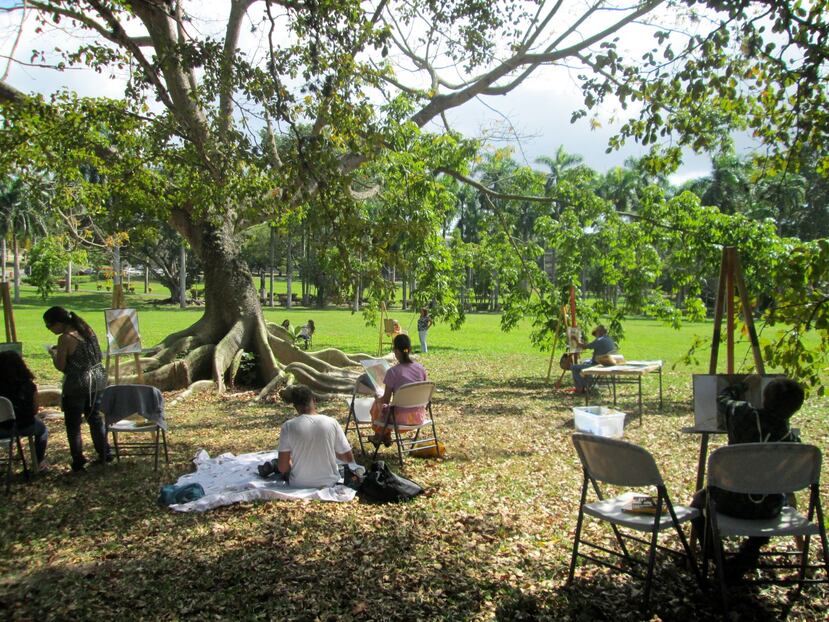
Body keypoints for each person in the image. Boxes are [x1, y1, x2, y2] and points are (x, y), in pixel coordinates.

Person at [692, 378, 804, 582]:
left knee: (698, 503)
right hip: (768, 509)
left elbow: (723, 398)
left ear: (764, 397)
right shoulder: (793, 443)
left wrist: (742, 385)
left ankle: (715, 556)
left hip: (729, 502)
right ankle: (749, 552)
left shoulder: (743, 415)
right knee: (776, 499)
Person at [44, 306, 112, 471]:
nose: (50, 330)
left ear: (59, 323)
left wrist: (54, 354)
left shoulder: (65, 339)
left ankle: (78, 459)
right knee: (94, 418)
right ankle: (105, 452)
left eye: (49, 326)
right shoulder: (87, 331)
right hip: (97, 380)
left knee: (73, 424)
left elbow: (61, 365)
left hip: (77, 384)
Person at [273, 385, 354, 488]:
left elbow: (283, 468)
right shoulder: (332, 422)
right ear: (314, 400)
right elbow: (348, 458)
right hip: (330, 483)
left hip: (298, 484)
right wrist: (331, 451)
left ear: (295, 406)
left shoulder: (288, 426)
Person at [370, 333, 428, 446]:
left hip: (400, 419)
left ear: (395, 351)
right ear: (410, 349)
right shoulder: (421, 369)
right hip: (418, 416)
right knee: (387, 408)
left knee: (377, 404)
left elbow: (385, 400)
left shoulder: (393, 372)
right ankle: (384, 436)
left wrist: (377, 398)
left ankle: (379, 435)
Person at [0, 351, 49, 470]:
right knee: (43, 431)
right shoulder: (29, 386)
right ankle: (39, 461)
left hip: (1, 428)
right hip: (25, 425)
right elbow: (34, 410)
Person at [569, 325, 618, 394]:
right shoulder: (609, 339)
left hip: (599, 365)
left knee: (574, 367)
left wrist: (576, 340)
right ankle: (588, 384)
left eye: (596, 332)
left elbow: (585, 346)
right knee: (585, 362)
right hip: (608, 364)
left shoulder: (599, 340)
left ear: (599, 332)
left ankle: (582, 387)